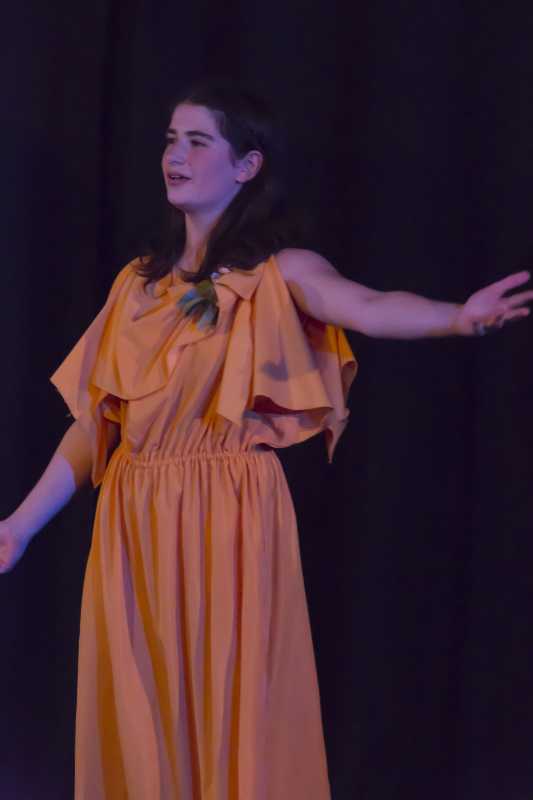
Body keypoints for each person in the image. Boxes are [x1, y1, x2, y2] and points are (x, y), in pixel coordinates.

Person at [0, 83, 531, 800]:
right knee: (143, 712)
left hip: (226, 516)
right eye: (170, 139)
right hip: (133, 521)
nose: (176, 154)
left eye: (198, 141)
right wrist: (19, 525)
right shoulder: (137, 287)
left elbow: (368, 306)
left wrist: (456, 318)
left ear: (246, 166)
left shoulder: (280, 273)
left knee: (230, 705)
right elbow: (96, 425)